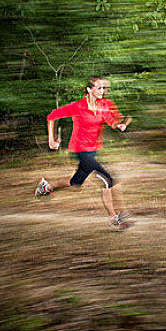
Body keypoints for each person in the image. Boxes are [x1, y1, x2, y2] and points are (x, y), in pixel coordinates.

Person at [35, 76, 134, 231]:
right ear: (89, 90)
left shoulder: (104, 105)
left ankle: (47, 186)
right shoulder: (79, 106)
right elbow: (52, 116)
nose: (103, 91)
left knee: (75, 182)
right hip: (80, 150)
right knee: (108, 179)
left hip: (93, 151)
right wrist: (51, 140)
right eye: (99, 88)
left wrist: (119, 125)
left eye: (104, 88)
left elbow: (111, 121)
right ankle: (115, 217)